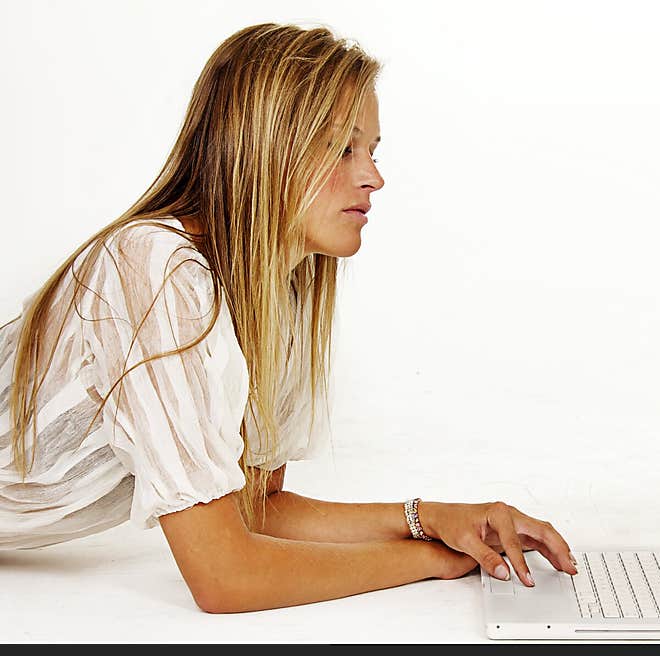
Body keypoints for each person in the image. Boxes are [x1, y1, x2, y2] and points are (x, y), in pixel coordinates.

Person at [0, 22, 577, 613]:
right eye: (340, 147)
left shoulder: (277, 290)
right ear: (265, 146)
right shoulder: (153, 269)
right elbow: (226, 576)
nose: (373, 177)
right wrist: (433, 562)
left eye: (372, 151)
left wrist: (430, 519)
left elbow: (255, 508)